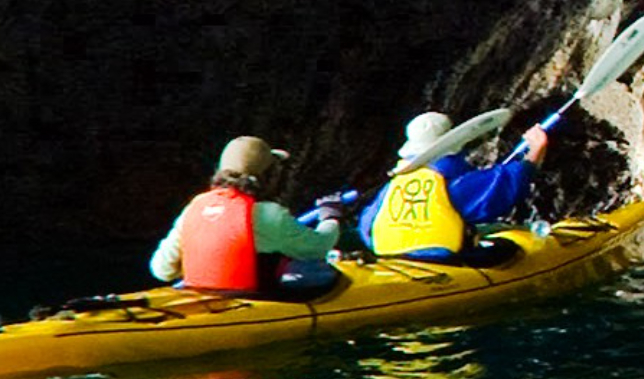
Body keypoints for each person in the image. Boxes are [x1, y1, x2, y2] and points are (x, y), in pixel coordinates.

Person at [149, 136, 342, 297]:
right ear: (264, 177)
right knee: (322, 273)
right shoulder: (269, 214)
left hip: (197, 298)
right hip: (250, 303)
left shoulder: (194, 207)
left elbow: (162, 270)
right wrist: (331, 216)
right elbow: (318, 248)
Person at [358, 111, 549, 264]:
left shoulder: (392, 185)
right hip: (443, 262)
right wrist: (535, 150)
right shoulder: (452, 183)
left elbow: (367, 228)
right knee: (508, 249)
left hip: (391, 261)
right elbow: (504, 187)